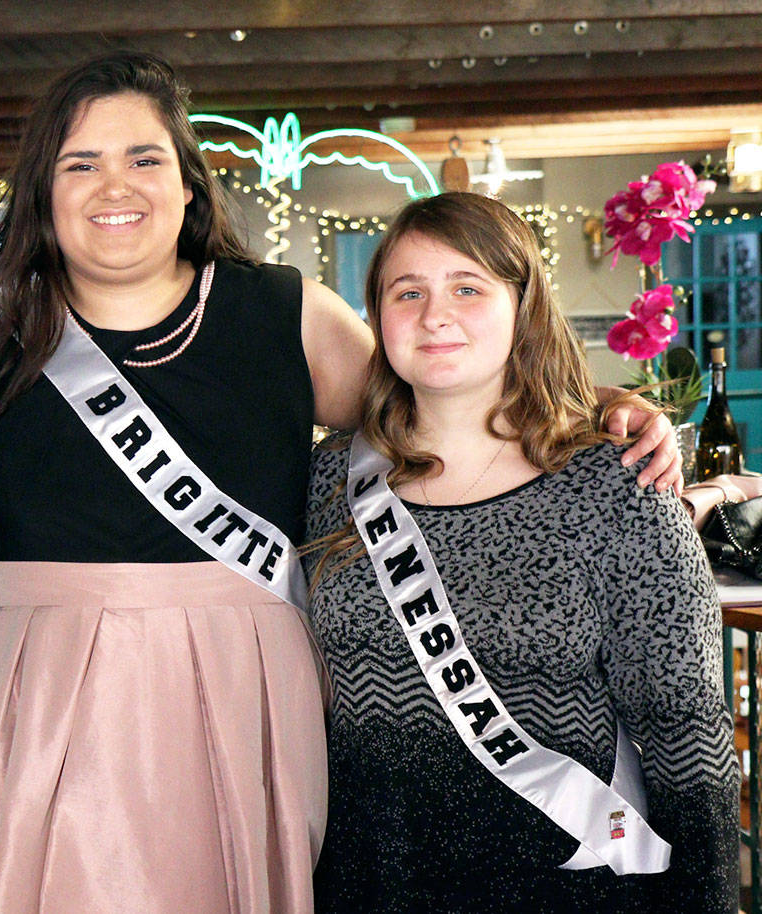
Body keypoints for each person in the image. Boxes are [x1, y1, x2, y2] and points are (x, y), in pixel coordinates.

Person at [0, 55, 682, 914]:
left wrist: (602, 411)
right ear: (44, 191)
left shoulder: (277, 309)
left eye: (143, 159)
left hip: (243, 678)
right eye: (79, 164)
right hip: (43, 686)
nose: (114, 188)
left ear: (186, 177)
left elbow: (434, 403)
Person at [304, 191, 739, 912]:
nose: (434, 314)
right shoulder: (330, 483)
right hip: (373, 881)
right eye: (405, 292)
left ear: (523, 307)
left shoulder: (618, 486)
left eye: (467, 288)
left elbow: (686, 733)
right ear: (377, 318)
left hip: (566, 887)